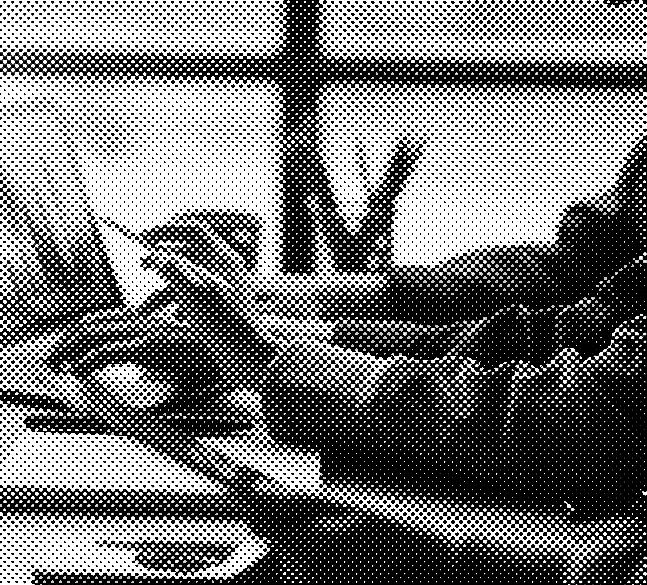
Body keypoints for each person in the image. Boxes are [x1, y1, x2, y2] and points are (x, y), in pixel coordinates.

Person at [48, 140, 647, 513]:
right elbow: (552, 321)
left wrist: (283, 373)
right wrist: (297, 314)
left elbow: (560, 420)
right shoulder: (595, 274)